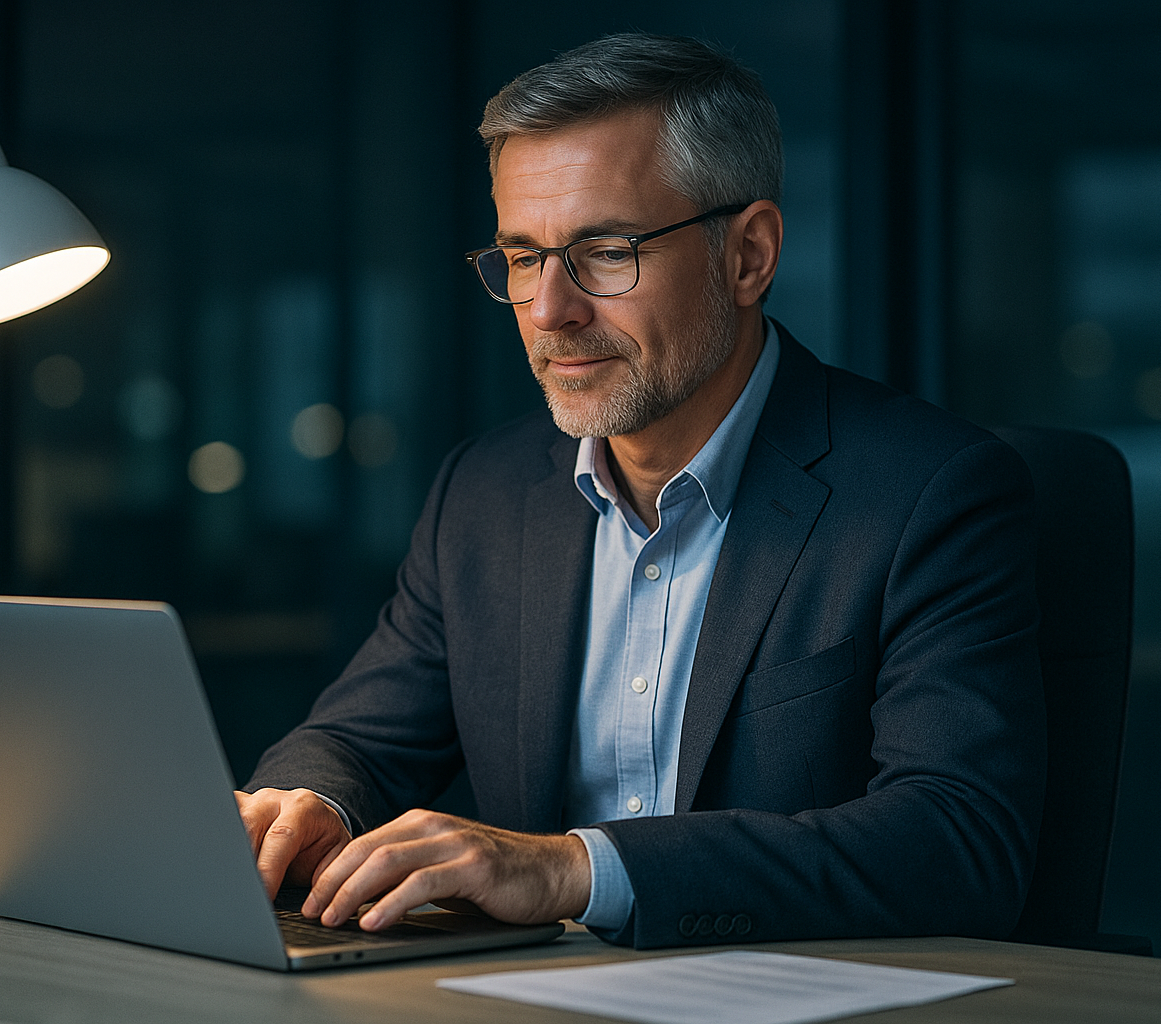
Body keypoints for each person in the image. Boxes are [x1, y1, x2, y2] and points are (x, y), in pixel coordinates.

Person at [236, 32, 1046, 949]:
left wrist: (572, 869)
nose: (550, 311)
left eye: (606, 251)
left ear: (749, 255)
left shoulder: (932, 494)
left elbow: (961, 843)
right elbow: (358, 740)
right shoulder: (486, 494)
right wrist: (307, 803)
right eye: (523, 256)